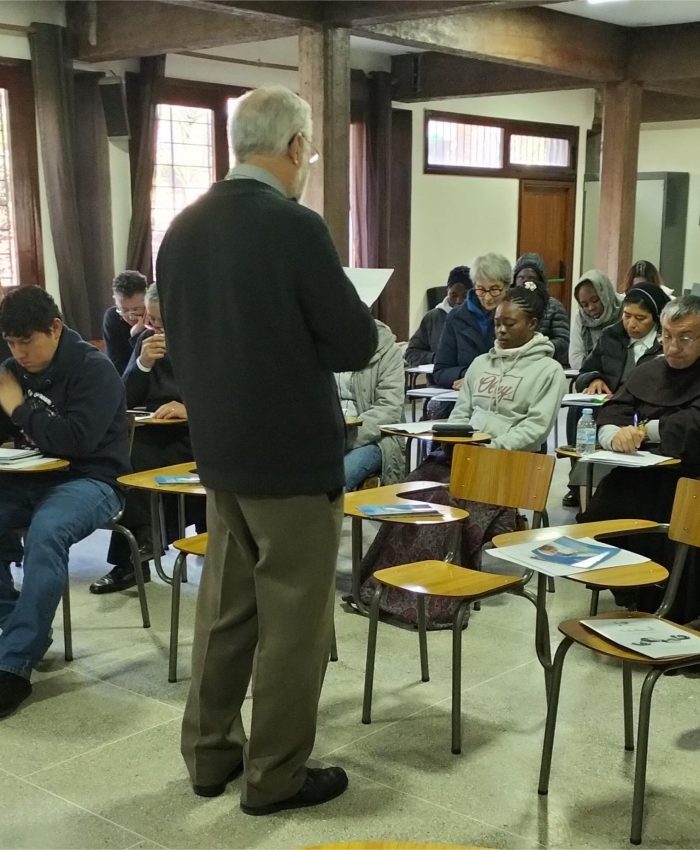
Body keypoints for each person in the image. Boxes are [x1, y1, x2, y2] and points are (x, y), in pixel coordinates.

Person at [157, 86, 377, 815]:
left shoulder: (181, 229)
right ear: (294, 147)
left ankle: (210, 753)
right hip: (291, 459)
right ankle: (276, 776)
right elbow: (353, 340)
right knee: (294, 625)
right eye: (308, 149)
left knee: (225, 610)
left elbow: (181, 350)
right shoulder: (294, 227)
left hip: (221, 455)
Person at [359, 287, 567, 627]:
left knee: (444, 502)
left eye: (509, 324)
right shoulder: (480, 363)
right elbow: (462, 412)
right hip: (462, 455)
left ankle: (427, 602)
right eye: (497, 323)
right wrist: (450, 436)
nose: (500, 330)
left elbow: (536, 428)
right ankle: (376, 589)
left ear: (532, 324)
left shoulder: (548, 371)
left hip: (507, 465)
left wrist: (490, 449)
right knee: (411, 494)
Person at [0, 286, 128, 717]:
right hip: (26, 478)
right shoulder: (10, 370)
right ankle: (16, 628)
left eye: (27, 341)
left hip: (92, 479)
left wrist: (19, 410)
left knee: (47, 531)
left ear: (55, 328)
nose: (19, 353)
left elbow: (77, 441)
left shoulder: (95, 370)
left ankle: (14, 664)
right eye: (11, 343)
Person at [580, 294, 700, 623]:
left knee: (676, 519)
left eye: (685, 338)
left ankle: (672, 608)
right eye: (667, 335)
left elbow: (692, 426)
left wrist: (645, 431)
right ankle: (628, 590)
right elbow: (614, 409)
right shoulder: (650, 369)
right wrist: (614, 435)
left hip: (691, 478)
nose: (673, 346)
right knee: (606, 505)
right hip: (643, 473)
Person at [90, 283, 204, 594]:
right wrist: (143, 364)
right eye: (152, 320)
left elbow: (231, 397)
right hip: (155, 429)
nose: (156, 328)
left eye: (162, 322)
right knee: (129, 454)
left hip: (198, 433)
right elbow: (124, 399)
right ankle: (138, 549)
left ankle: (135, 553)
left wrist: (190, 408)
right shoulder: (145, 340)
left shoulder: (208, 340)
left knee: (138, 456)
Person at [337, 319, 405, 490]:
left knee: (333, 482)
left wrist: (345, 437)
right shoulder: (318, 344)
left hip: (373, 438)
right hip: (324, 436)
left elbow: (389, 408)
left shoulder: (387, 350)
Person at [575, 283, 670, 397]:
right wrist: (593, 380)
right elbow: (584, 373)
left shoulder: (666, 343)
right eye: (627, 316)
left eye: (640, 318)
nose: (631, 324)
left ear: (656, 318)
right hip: (611, 404)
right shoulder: (610, 337)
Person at [432, 253, 510, 390]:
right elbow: (440, 371)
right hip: (465, 397)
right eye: (481, 289)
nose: (487, 297)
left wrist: (483, 379)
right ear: (474, 285)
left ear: (507, 286)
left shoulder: (518, 316)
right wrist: (468, 375)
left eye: (494, 289)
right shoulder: (456, 317)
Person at [404, 266, 470, 367]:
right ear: (447, 291)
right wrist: (435, 358)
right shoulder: (432, 318)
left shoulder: (483, 317)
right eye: (453, 295)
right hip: (440, 379)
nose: (459, 301)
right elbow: (411, 353)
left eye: (465, 296)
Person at [512, 252, 570, 365]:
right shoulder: (508, 306)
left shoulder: (554, 306)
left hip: (545, 362)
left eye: (531, 278)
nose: (525, 281)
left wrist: (538, 348)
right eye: (521, 277)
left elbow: (563, 341)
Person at [568, 270, 622, 371]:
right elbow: (575, 358)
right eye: (584, 305)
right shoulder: (581, 317)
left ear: (605, 294)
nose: (591, 308)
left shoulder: (625, 310)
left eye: (595, 300)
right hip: (593, 378)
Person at [102, 270, 148, 375]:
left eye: (136, 309)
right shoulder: (112, 317)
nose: (131, 317)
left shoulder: (156, 316)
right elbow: (116, 366)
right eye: (124, 310)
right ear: (115, 301)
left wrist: (138, 336)